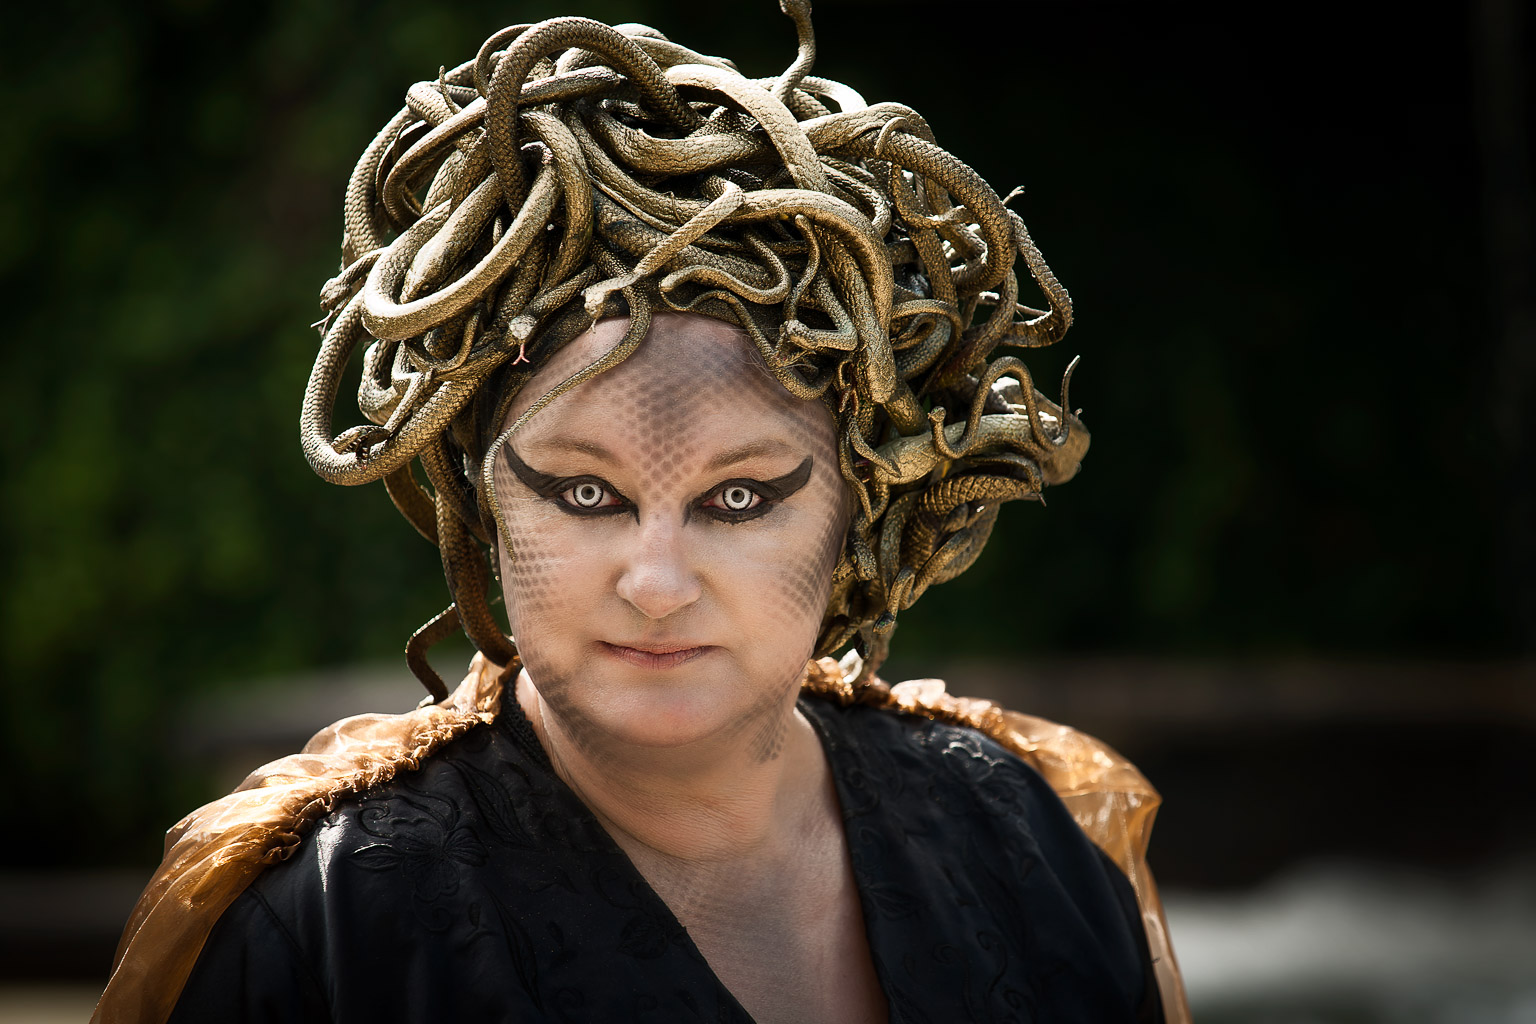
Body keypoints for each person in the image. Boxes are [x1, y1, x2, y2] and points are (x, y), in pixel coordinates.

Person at [95, 5, 1190, 1022]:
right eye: (585, 494)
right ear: (481, 496)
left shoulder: (1028, 845)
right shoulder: (325, 922)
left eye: (739, 498)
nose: (656, 583)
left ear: (861, 505)